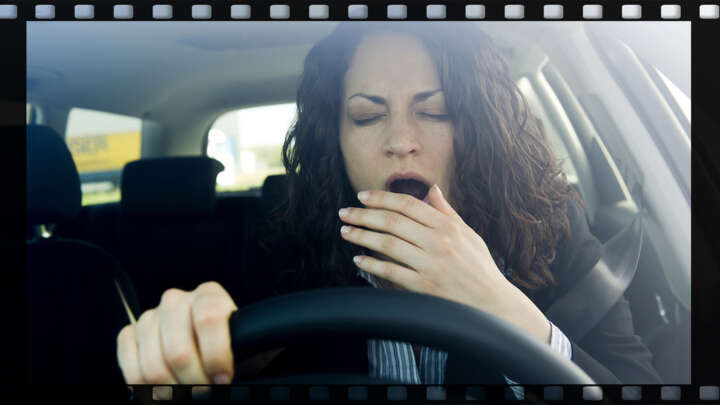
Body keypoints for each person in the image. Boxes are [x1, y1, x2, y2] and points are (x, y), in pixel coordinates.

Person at [116, 22, 662, 389]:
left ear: (478, 129)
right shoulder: (284, 241)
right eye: (367, 116)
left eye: (437, 111)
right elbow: (223, 347)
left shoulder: (552, 225)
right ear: (335, 139)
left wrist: (502, 305)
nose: (401, 139)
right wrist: (188, 344)